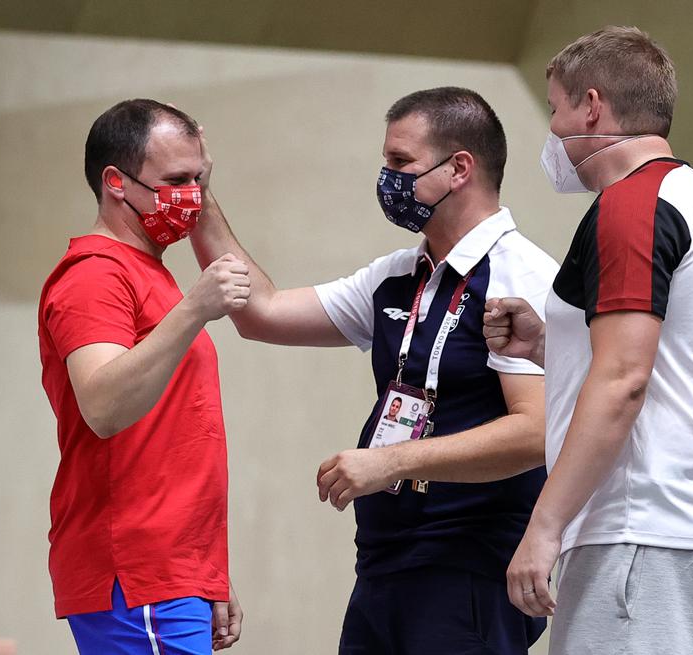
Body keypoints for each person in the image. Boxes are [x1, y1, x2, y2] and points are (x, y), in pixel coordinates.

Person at [192, 87, 559, 654]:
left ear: (459, 167)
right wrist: (199, 198)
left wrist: (391, 461)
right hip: (385, 564)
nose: (387, 179)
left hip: (466, 568)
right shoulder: (397, 276)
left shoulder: (520, 275)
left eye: (401, 163)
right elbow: (260, 313)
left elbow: (536, 432)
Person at [483, 26, 693, 655]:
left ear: (592, 107)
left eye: (555, 109)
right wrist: (553, 346)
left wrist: (543, 527)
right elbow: (666, 366)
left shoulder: (633, 205)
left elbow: (625, 380)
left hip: (641, 541)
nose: (551, 130)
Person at [38, 99, 248, 654]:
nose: (191, 197)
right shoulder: (94, 276)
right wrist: (195, 309)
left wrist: (206, 572)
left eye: (198, 179)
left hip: (171, 570)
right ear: (116, 183)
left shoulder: (148, 272)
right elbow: (104, 406)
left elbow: (178, 440)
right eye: (176, 181)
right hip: (133, 570)